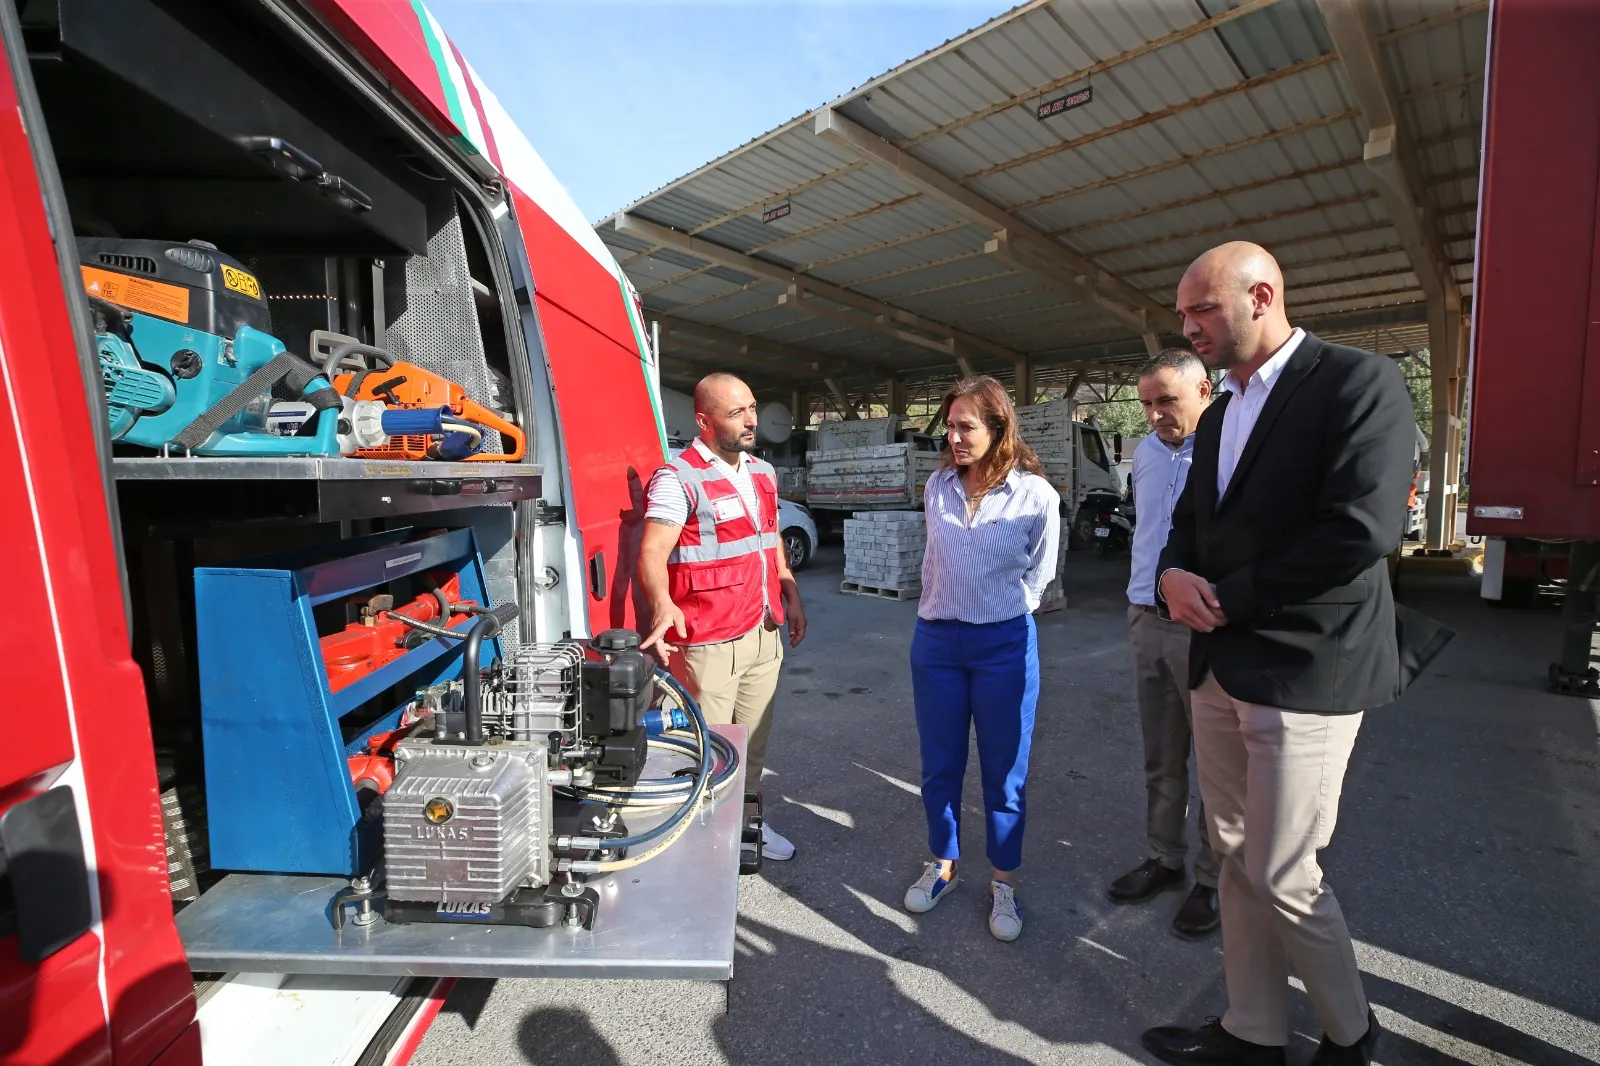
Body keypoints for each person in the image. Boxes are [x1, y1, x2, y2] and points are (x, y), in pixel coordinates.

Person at [1141, 242, 1419, 1066]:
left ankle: (1349, 1036)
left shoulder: (1357, 383)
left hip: (1307, 669)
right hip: (1220, 665)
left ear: (1261, 296)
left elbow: (1362, 531)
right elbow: (1190, 523)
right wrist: (1171, 578)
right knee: (1231, 856)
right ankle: (1252, 1030)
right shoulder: (1222, 409)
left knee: (1284, 871)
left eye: (1202, 311)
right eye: (1184, 313)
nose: (1188, 327)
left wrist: (1229, 596)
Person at [902, 375, 1060, 942]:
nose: (954, 437)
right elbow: (935, 565)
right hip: (938, 644)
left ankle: (1002, 883)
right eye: (949, 426)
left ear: (998, 429)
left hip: (1003, 647)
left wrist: (1004, 613)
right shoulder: (938, 487)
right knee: (939, 766)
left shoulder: (1036, 496)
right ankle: (942, 865)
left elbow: (1040, 575)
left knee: (1005, 773)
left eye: (966, 426)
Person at [638, 372, 807, 861]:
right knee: (706, 748)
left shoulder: (762, 473)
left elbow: (771, 538)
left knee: (752, 747)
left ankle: (749, 828)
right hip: (709, 640)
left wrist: (789, 591)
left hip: (763, 629)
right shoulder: (677, 478)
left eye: (752, 408)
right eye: (737, 413)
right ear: (703, 420)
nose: (752, 420)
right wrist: (661, 603)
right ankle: (703, 844)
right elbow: (652, 551)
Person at [1106, 348, 1221, 939]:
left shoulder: (1232, 448)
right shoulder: (1147, 454)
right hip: (1145, 617)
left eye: (1166, 401)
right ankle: (1165, 858)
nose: (1153, 415)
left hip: (1205, 627)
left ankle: (1213, 879)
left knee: (1219, 766)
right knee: (1162, 752)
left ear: (1205, 389)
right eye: (1146, 403)